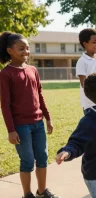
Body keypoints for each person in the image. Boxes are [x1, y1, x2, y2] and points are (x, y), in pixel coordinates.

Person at [0, 31, 59, 198]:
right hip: (21, 126)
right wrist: (11, 130)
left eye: (27, 48)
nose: (26, 51)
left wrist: (48, 118)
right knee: (27, 161)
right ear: (10, 50)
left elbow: (39, 95)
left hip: (38, 122)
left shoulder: (33, 70)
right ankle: (27, 194)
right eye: (21, 48)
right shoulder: (6, 74)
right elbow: (5, 105)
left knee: (42, 158)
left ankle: (42, 191)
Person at [75, 28, 96, 114]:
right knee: (93, 127)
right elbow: (84, 84)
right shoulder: (82, 61)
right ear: (85, 44)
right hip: (90, 104)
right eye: (94, 42)